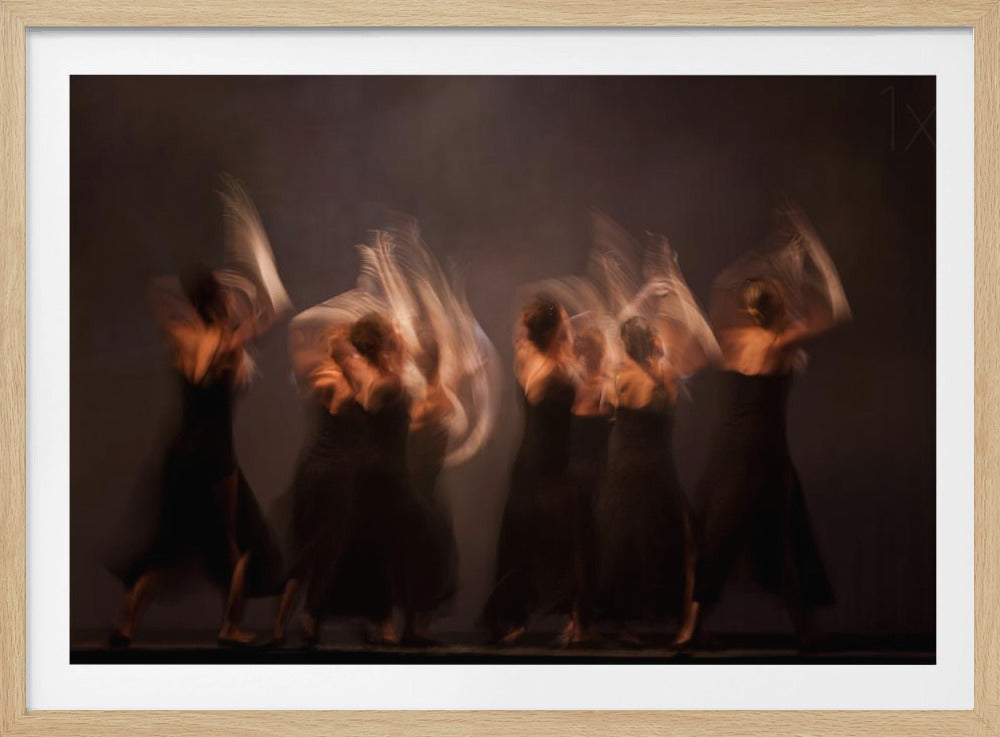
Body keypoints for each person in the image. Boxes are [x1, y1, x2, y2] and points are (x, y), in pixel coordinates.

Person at [693, 207, 850, 648]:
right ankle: (806, 632)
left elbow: (722, 287)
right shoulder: (782, 342)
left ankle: (692, 627)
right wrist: (809, 240)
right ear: (777, 306)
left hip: (732, 449)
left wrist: (754, 261)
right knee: (783, 538)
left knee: (719, 534)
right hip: (764, 453)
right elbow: (836, 307)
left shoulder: (734, 339)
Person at [110, 267, 285, 648]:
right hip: (215, 453)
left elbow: (157, 292)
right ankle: (232, 626)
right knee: (238, 542)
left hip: (180, 451)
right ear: (219, 302)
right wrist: (249, 303)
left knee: (169, 541)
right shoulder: (228, 341)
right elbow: (269, 315)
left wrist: (189, 302)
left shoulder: (182, 336)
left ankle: (126, 623)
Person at [480, 296, 580, 645]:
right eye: (565, 322)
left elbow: (520, 339)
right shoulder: (557, 369)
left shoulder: (527, 355)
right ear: (554, 329)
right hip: (549, 465)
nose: (571, 325)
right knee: (563, 540)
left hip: (530, 462)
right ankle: (571, 619)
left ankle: (515, 619)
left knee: (524, 541)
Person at [594, 315, 698, 646]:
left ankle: (623, 622)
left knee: (623, 542)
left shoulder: (618, 377)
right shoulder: (665, 376)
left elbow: (605, 410)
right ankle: (683, 624)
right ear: (652, 342)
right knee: (669, 541)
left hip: (624, 467)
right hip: (656, 469)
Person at [269, 324, 366, 647]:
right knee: (313, 550)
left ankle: (299, 622)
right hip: (329, 474)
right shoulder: (340, 382)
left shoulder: (325, 377)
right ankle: (292, 622)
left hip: (322, 471)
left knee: (317, 550)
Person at [402, 331, 461, 645]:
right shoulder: (440, 394)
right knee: (424, 555)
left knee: (425, 556)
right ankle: (416, 626)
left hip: (422, 487)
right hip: (423, 488)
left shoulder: (427, 401)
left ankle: (417, 627)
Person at [564, 326, 614, 645]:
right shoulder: (594, 387)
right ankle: (580, 623)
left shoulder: (593, 388)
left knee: (585, 552)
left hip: (587, 477)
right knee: (583, 552)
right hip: (587, 478)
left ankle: (582, 622)